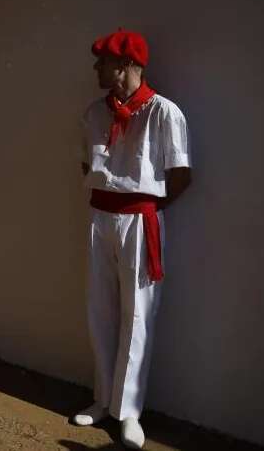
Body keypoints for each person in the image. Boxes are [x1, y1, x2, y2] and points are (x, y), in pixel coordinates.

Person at [74, 28, 192, 449]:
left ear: (124, 66)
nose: (96, 69)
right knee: (100, 309)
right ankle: (102, 399)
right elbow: (86, 163)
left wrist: (145, 211)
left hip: (140, 220)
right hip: (100, 217)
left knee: (138, 314)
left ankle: (129, 412)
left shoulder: (164, 113)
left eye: (103, 61)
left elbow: (181, 175)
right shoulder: (93, 113)